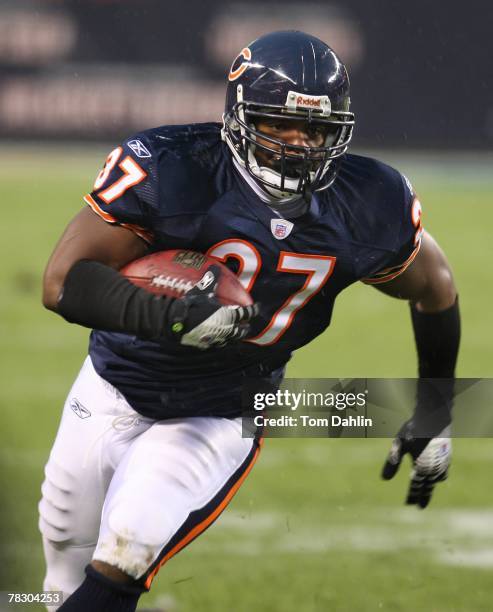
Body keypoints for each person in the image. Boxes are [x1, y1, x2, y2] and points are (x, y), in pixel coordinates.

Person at [40, 30, 459, 611]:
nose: (295, 145)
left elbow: (435, 288)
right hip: (112, 385)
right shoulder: (174, 165)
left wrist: (435, 410)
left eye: (314, 129)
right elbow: (62, 281)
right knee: (60, 574)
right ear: (237, 119)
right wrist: (173, 317)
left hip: (218, 412)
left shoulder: (369, 200)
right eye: (275, 125)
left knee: (126, 553)